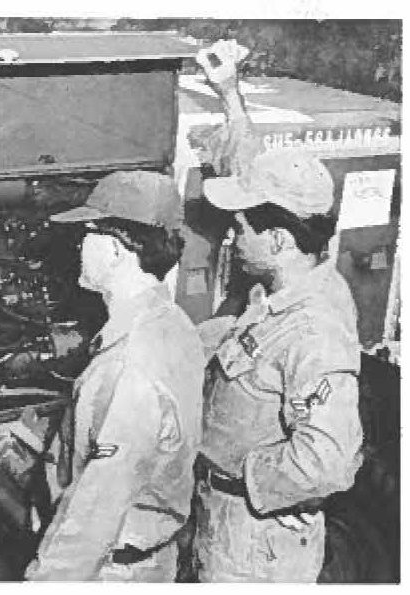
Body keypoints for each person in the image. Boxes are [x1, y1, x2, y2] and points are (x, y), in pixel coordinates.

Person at [192, 40, 364, 582]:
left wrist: (250, 479)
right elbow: (255, 175)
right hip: (226, 520)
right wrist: (230, 95)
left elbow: (327, 461)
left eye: (240, 228)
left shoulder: (315, 330)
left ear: (279, 240)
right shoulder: (290, 275)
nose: (231, 237)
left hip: (253, 547)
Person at [24, 170, 205, 581]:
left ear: (119, 249)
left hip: (111, 570)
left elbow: (95, 512)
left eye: (89, 232)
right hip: (147, 560)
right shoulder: (173, 324)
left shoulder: (129, 364)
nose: (80, 244)